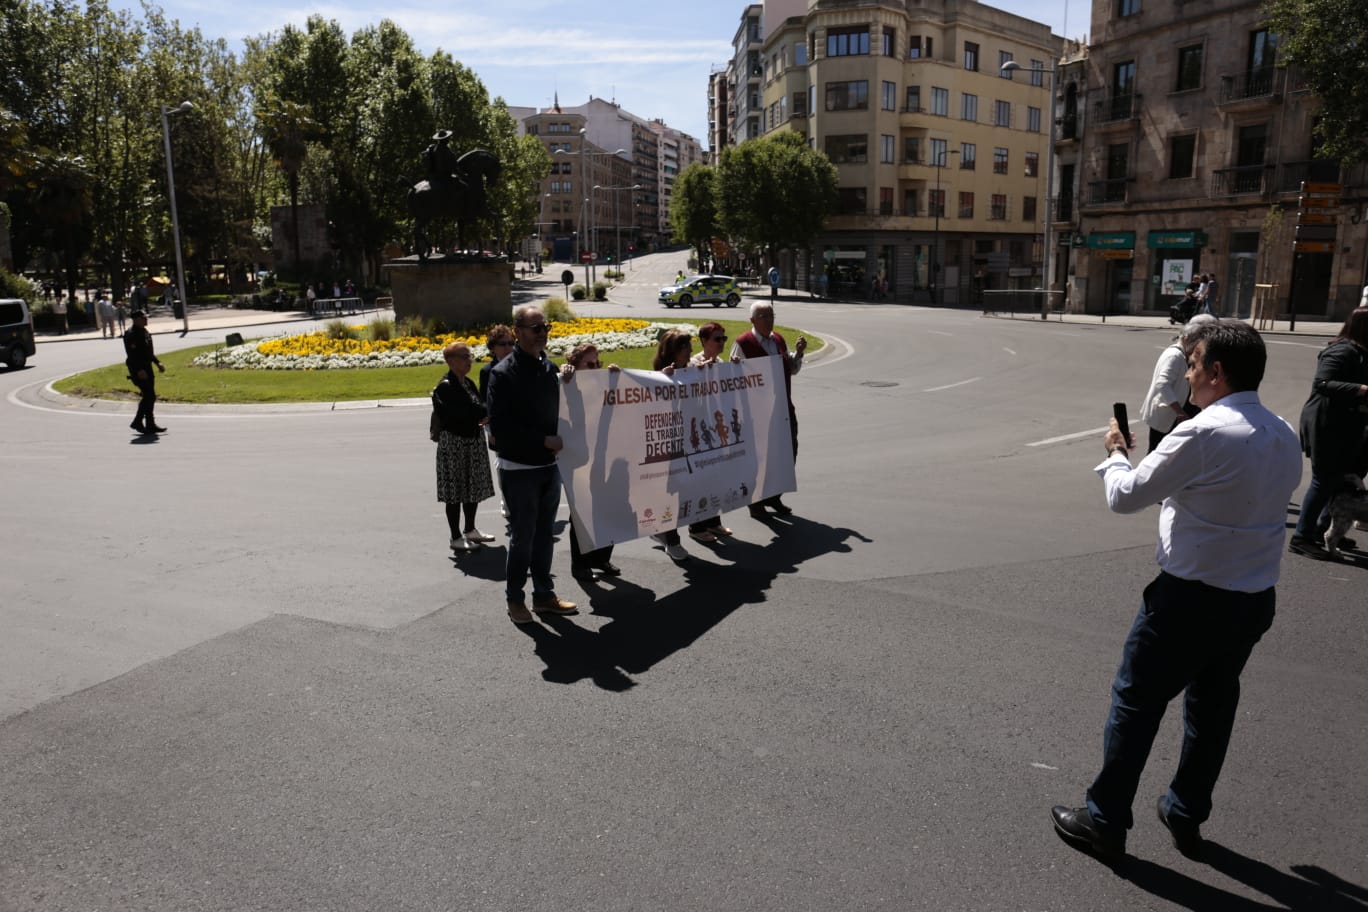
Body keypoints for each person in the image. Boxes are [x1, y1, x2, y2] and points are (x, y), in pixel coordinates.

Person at [1051, 320, 1301, 863]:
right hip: (1254, 597)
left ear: (1215, 372)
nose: (1186, 375)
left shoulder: (1203, 433)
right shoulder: (1283, 431)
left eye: (1192, 366)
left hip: (1189, 599)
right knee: (1212, 708)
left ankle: (1105, 819)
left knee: (1136, 703)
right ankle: (1186, 811)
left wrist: (1116, 452)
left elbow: (1126, 496)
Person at [486, 304, 577, 624]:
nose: (542, 334)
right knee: (523, 537)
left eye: (546, 328)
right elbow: (500, 428)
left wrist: (571, 379)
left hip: (549, 467)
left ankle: (544, 595)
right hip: (520, 470)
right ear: (518, 332)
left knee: (543, 536)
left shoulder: (548, 367)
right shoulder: (502, 374)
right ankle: (515, 599)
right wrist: (542, 440)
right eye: (535, 328)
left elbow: (565, 408)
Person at [1288, 309, 1368, 558]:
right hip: (1326, 425)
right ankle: (1302, 537)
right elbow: (1322, 383)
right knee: (1323, 480)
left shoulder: (1361, 352)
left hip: (1347, 426)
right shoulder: (1341, 350)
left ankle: (1324, 530)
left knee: (1338, 479)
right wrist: (1362, 389)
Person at [731, 301, 806, 518]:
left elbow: (790, 368)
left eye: (771, 315)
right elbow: (733, 377)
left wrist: (798, 354)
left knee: (788, 452)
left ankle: (774, 496)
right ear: (753, 320)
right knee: (761, 458)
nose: (770, 320)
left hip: (783, 407)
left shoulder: (778, 339)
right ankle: (756, 502)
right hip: (757, 413)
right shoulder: (743, 343)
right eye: (764, 316)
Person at [560, 343, 623, 581]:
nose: (596, 368)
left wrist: (618, 378)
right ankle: (581, 565)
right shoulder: (568, 382)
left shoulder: (604, 383)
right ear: (574, 365)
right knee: (582, 511)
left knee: (610, 506)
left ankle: (602, 558)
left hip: (607, 454)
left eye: (598, 363)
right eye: (590, 364)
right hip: (578, 458)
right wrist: (566, 373)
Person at [433, 341, 497, 554]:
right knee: (455, 491)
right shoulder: (446, 387)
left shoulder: (467, 383)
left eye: (469, 356)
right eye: (463, 357)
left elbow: (479, 411)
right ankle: (455, 536)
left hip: (473, 440)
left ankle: (470, 529)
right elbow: (467, 412)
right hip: (454, 443)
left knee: (473, 487)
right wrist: (482, 416)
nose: (468, 360)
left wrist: (482, 418)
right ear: (450, 361)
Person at [648, 330, 695, 561]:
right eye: (685, 347)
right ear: (673, 351)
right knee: (670, 493)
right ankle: (672, 538)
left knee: (682, 491)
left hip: (686, 441)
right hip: (666, 446)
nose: (690, 352)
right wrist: (663, 380)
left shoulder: (690, 371)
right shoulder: (656, 376)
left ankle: (663, 532)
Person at [687, 322, 735, 542]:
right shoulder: (694, 363)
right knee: (701, 478)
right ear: (704, 341)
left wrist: (734, 369)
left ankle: (713, 521)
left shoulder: (722, 363)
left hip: (718, 427)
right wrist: (700, 373)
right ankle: (696, 527)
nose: (721, 343)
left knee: (717, 476)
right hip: (700, 430)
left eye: (723, 339)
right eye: (717, 339)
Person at [1139, 314, 1214, 452]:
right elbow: (1162, 384)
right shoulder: (1174, 355)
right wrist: (1179, 412)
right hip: (1168, 415)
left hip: (1177, 413)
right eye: (1196, 343)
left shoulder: (1184, 354)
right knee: (1157, 453)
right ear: (1186, 339)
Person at [123, 309, 166, 434]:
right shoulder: (131, 334)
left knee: (150, 396)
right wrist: (139, 370)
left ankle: (149, 424)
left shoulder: (144, 331)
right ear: (136, 320)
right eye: (143, 318)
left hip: (147, 367)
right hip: (138, 369)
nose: (146, 319)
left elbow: (148, 352)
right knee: (149, 395)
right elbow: (132, 355)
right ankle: (138, 421)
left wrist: (157, 362)